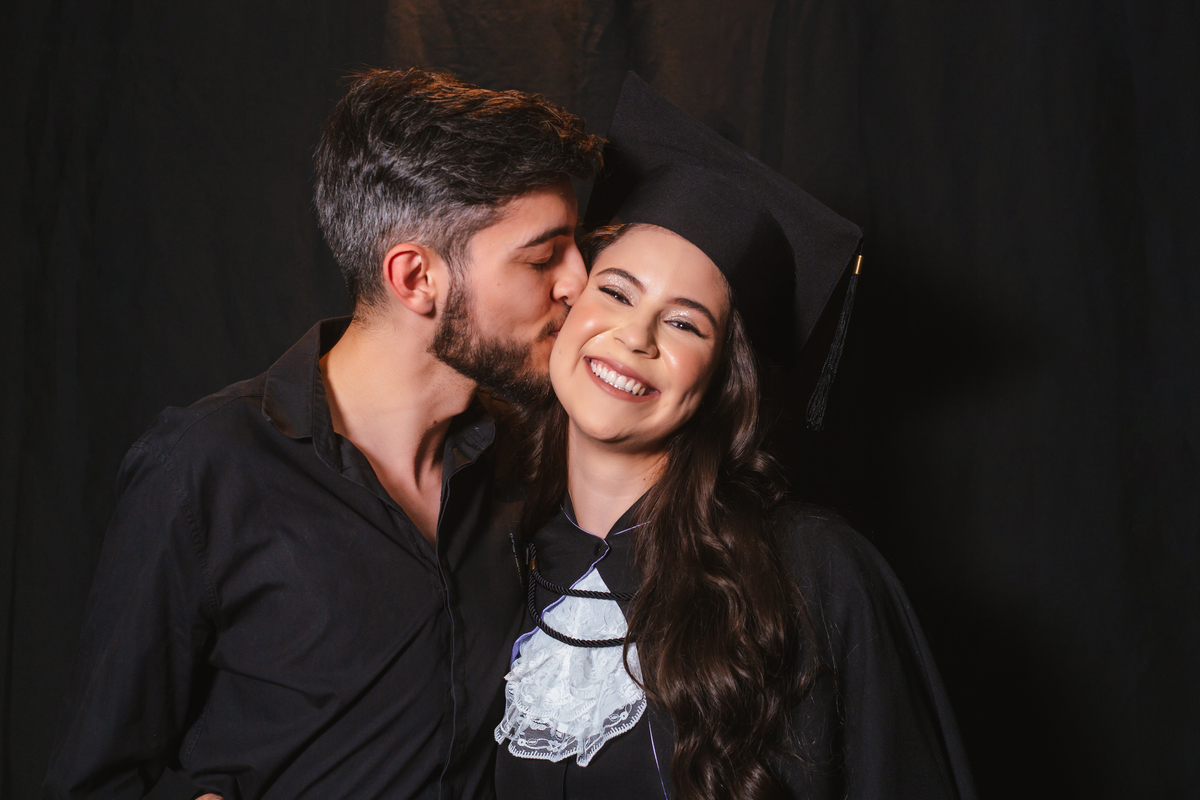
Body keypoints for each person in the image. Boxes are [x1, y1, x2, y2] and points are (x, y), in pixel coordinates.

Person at [43, 68, 603, 799]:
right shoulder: (205, 469)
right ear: (416, 278)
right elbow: (93, 779)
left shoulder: (528, 461)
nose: (578, 282)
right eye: (543, 256)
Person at [492, 74, 977, 799]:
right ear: (569, 303)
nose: (636, 337)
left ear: (724, 376)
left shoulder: (813, 573)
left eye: (685, 323)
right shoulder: (489, 552)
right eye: (616, 292)